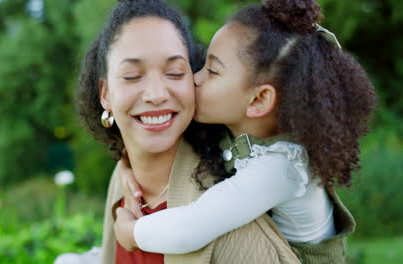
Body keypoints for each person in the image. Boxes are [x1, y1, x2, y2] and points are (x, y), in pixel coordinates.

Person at [113, 0, 376, 263]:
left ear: (258, 100)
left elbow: (190, 228)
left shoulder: (280, 168)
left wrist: (131, 233)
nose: (195, 77)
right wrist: (127, 168)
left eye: (212, 71)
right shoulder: (241, 131)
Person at [72, 0, 301, 263]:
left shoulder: (228, 223)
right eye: (133, 76)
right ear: (105, 95)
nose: (156, 95)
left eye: (174, 72)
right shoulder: (123, 180)